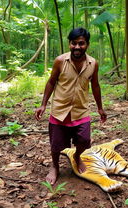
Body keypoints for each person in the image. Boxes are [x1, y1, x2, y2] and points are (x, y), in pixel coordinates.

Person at [35, 27, 107, 185]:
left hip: (81, 111)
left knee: (84, 140)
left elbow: (95, 85)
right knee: (56, 144)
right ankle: (55, 166)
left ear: (87, 44)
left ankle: (76, 156)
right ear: (69, 44)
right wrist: (43, 105)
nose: (77, 47)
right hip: (60, 110)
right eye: (74, 43)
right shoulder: (60, 61)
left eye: (81, 43)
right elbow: (51, 82)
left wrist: (100, 108)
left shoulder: (93, 63)